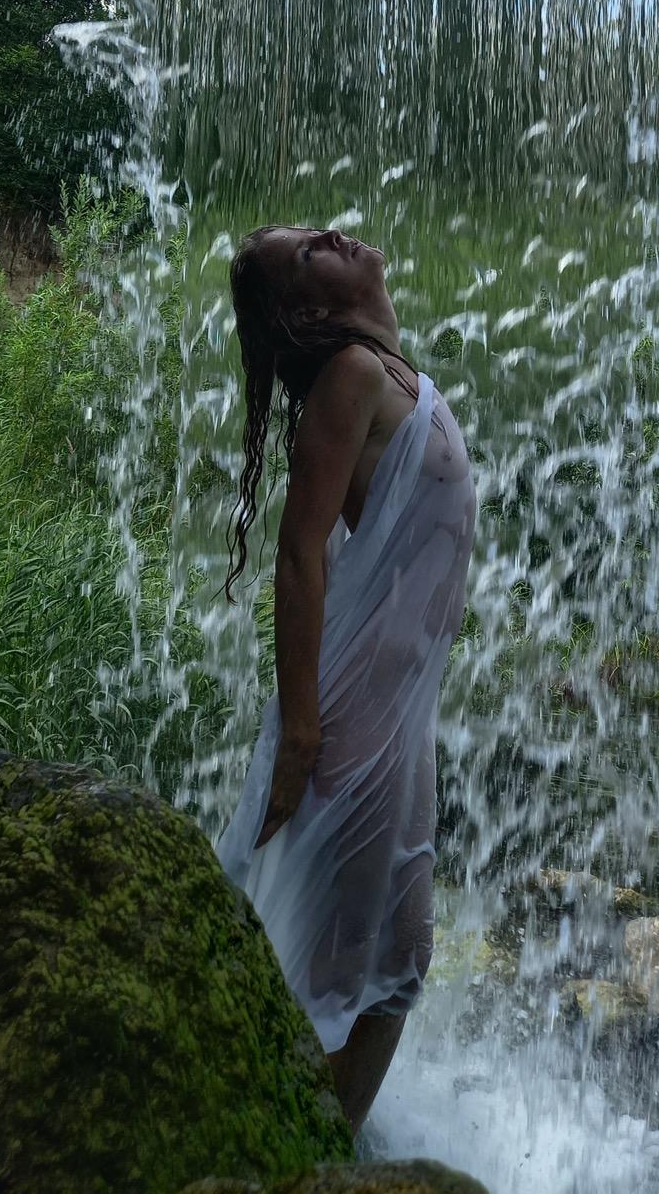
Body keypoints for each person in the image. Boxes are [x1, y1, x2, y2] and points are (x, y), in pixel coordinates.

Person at [215, 223, 476, 1132]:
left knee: (398, 965)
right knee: (332, 971)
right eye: (308, 251)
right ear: (313, 308)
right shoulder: (351, 380)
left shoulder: (403, 383)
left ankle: (333, 1154)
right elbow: (298, 552)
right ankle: (278, 1152)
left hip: (397, 731)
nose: (331, 233)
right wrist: (299, 734)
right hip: (352, 729)